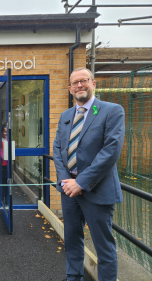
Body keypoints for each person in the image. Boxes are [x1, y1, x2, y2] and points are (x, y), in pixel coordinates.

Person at [53, 67, 125, 281]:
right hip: (69, 191)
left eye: (84, 81)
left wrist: (81, 182)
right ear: (69, 89)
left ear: (94, 83)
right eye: (75, 83)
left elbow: (110, 151)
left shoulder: (112, 111)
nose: (79, 85)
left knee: (104, 247)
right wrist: (66, 182)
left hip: (98, 190)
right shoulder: (66, 115)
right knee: (72, 241)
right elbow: (58, 149)